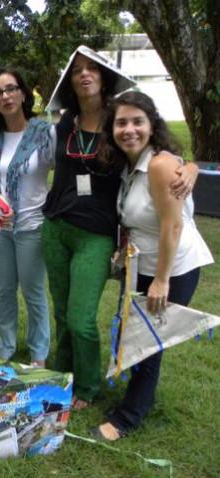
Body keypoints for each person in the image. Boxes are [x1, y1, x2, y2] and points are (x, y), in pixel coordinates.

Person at [42, 46, 199, 410]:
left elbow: (159, 154)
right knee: (62, 312)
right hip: (56, 227)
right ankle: (61, 371)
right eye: (77, 70)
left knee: (81, 319)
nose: (84, 75)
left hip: (95, 235)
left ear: (104, 77)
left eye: (91, 69)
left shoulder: (118, 125)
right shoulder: (66, 122)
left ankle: (88, 385)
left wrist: (188, 167)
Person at [92, 91, 213, 441]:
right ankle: (132, 395)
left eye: (137, 121)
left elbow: (171, 226)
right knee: (135, 331)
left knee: (149, 340)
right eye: (121, 122)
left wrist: (161, 280)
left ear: (151, 125)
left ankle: (128, 417)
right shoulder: (132, 164)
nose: (129, 129)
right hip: (141, 264)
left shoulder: (158, 165)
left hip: (173, 267)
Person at [0, 67, 53, 366]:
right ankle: (6, 348)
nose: (6, 96)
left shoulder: (43, 132)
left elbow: (61, 177)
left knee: (34, 292)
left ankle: (39, 354)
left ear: (24, 93)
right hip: (2, 229)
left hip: (32, 227)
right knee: (4, 291)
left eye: (11, 89)